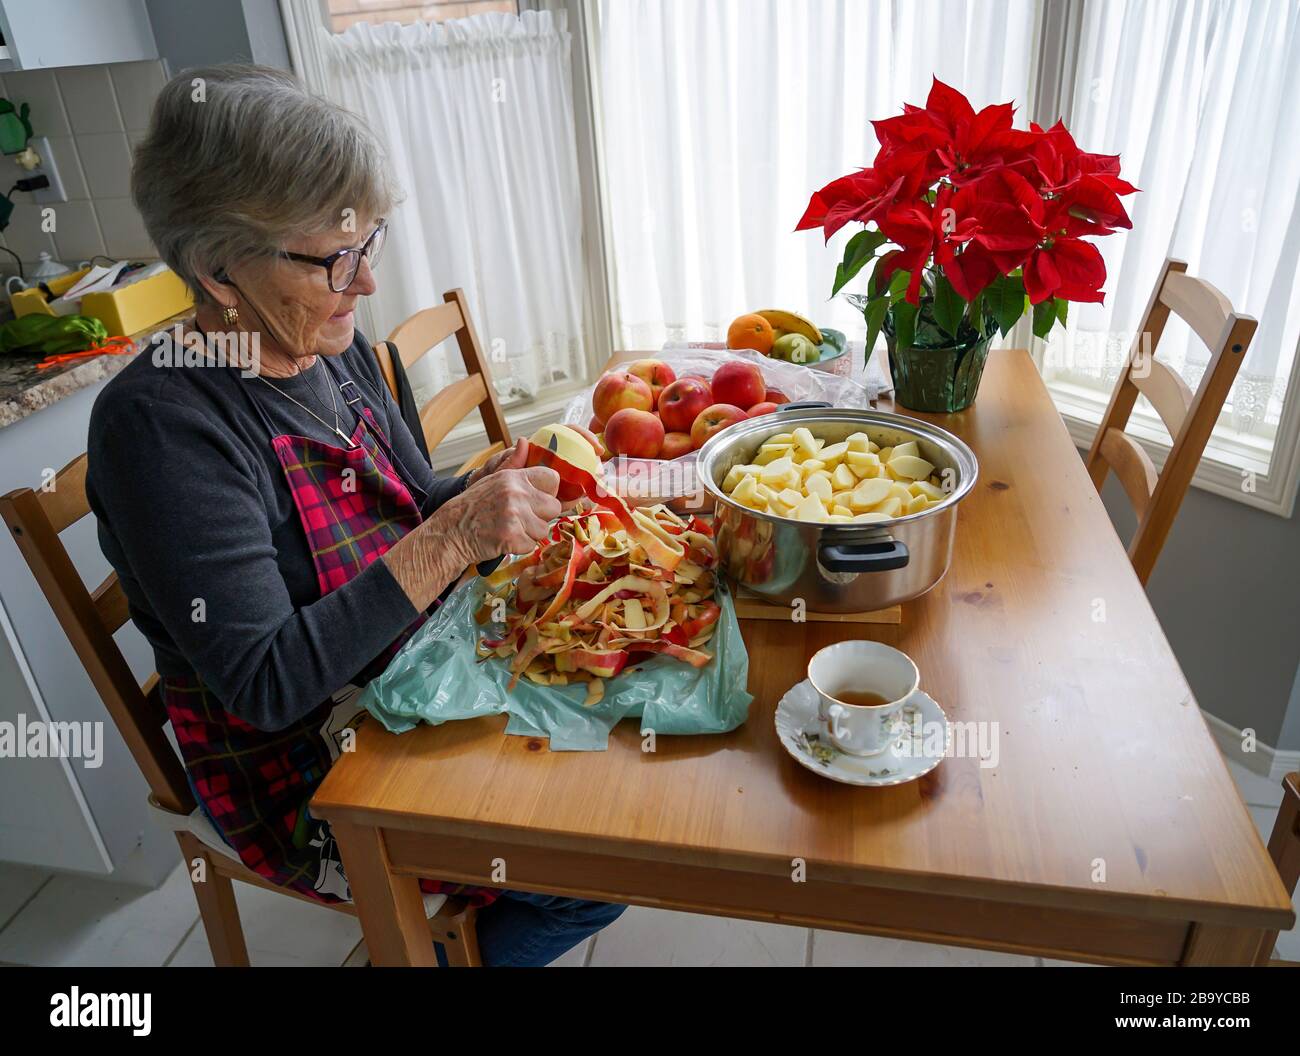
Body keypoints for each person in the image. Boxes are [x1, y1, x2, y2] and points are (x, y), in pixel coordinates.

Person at [86, 64, 623, 966]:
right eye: (335, 256)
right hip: (306, 763)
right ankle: (432, 954)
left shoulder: (331, 348)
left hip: (416, 671)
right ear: (217, 268)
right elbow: (264, 683)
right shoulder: (164, 426)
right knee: (596, 866)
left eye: (369, 239)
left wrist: (498, 484)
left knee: (623, 750)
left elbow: (415, 508)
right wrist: (454, 535)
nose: (368, 280)